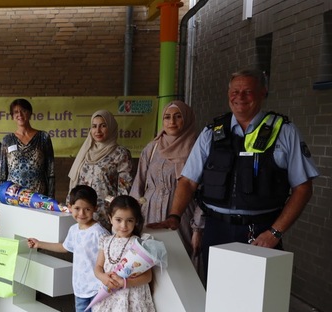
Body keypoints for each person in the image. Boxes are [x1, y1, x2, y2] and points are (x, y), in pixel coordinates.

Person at [148, 69, 318, 287]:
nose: (240, 97)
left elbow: (303, 187)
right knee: (218, 294)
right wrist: (174, 216)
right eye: (235, 91)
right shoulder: (212, 132)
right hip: (216, 229)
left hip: (260, 232)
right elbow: (188, 181)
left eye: (248, 91)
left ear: (263, 93)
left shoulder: (283, 131)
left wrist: (275, 232)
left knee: (258, 298)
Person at [27, 185, 110, 312]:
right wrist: (40, 244)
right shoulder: (74, 230)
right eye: (77, 208)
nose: (82, 214)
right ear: (70, 207)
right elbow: (64, 247)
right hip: (80, 289)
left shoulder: (100, 233)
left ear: (95, 209)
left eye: (87, 209)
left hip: (98, 291)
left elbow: (109, 259)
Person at [130, 100, 203, 268]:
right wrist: (132, 217)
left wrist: (198, 228)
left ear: (187, 119)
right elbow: (138, 184)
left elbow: (202, 192)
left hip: (182, 215)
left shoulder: (196, 148)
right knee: (149, 260)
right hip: (150, 212)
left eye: (178, 117)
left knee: (181, 260)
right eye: (167, 117)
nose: (172, 122)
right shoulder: (152, 148)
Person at [68, 110, 133, 229]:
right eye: (94, 126)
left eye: (103, 126)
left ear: (111, 127)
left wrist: (118, 214)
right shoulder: (85, 151)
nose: (97, 130)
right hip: (83, 214)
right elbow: (76, 182)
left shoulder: (120, 153)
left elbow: (125, 188)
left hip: (106, 214)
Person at [0, 98, 55, 197]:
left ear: (30, 113)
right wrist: (0, 196)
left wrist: (50, 196)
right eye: (16, 112)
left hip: (38, 195)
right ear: (12, 116)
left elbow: (51, 170)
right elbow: (2, 172)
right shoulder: (7, 140)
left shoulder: (43, 137)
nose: (19, 114)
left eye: (23, 111)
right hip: (13, 195)